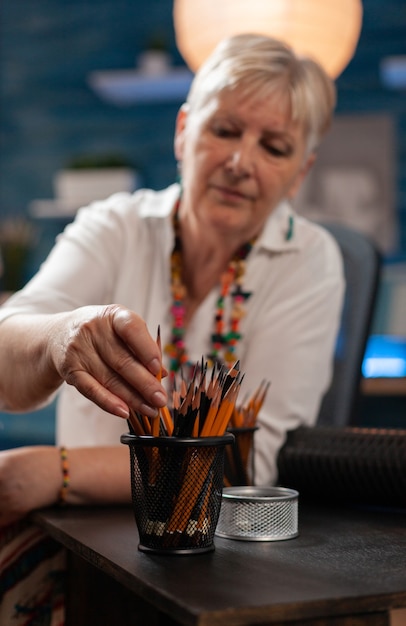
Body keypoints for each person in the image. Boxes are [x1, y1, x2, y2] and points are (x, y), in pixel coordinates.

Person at [0, 33, 344, 529]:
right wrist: (59, 337)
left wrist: (60, 471)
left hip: (218, 543)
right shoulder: (113, 226)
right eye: (224, 130)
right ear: (183, 131)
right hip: (86, 535)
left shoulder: (310, 259)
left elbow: (253, 460)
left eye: (273, 147)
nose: (240, 163)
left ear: (299, 174)